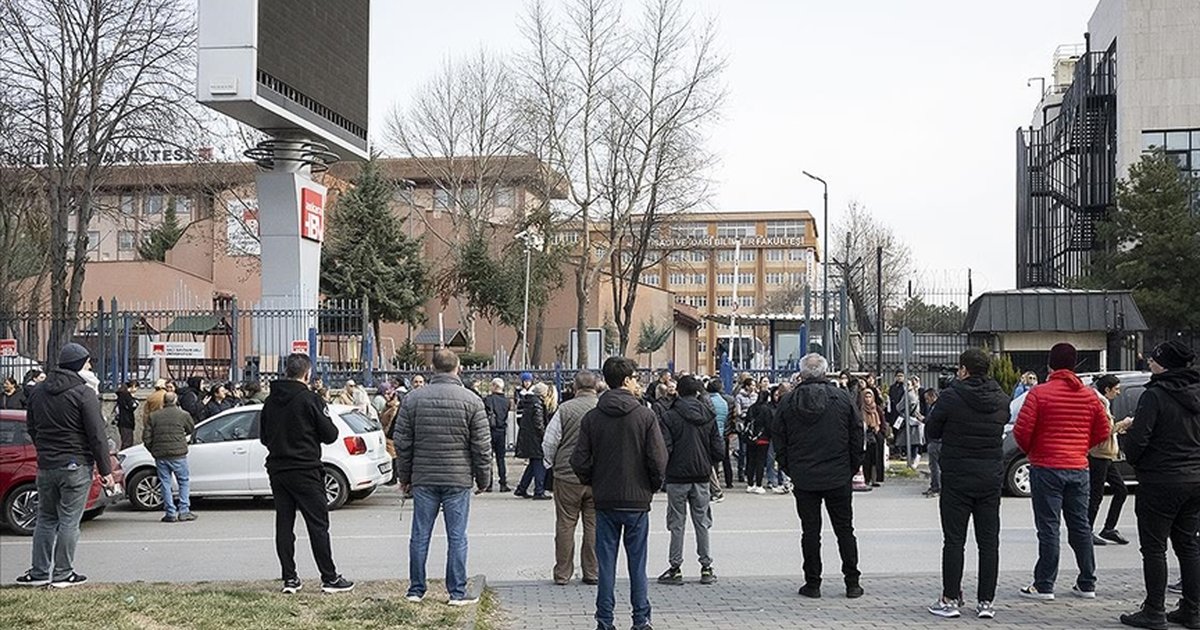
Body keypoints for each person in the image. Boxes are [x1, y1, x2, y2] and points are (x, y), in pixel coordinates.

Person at [571, 356, 668, 630]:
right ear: (626, 380)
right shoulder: (645, 415)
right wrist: (652, 485)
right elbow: (658, 459)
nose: (638, 383)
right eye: (635, 377)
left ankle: (605, 620)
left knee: (606, 565)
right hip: (637, 500)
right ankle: (641, 619)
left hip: (605, 499)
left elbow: (579, 459)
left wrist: (593, 481)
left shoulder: (592, 417)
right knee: (638, 564)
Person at [1013, 342, 1110, 601]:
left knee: (1049, 527)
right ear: (1075, 364)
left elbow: (1021, 432)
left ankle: (1045, 584)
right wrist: (1080, 447)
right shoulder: (1090, 396)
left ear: (1050, 364)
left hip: (1046, 467)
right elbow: (1103, 431)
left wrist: (1034, 450)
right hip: (1078, 467)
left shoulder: (1039, 394)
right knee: (1080, 526)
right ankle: (1087, 583)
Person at [394, 349, 491, 605]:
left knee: (420, 535)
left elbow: (402, 442)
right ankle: (456, 592)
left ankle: (416, 589)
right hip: (458, 478)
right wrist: (484, 478)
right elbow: (481, 446)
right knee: (457, 536)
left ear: (432, 368)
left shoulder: (413, 400)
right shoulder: (472, 401)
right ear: (457, 367)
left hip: (424, 477)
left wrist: (405, 477)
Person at [15, 343, 113, 587]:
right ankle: (62, 574)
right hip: (75, 464)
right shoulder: (83, 393)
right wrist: (106, 470)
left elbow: (32, 427)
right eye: (88, 362)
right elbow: (97, 435)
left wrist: (45, 450)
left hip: (46, 465)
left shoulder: (37, 392)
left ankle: (38, 573)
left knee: (45, 519)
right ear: (79, 364)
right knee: (69, 520)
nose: (89, 366)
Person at [1119, 341, 1200, 630]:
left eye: (1154, 360)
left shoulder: (1155, 395)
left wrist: (1133, 454)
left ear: (1163, 364)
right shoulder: (1196, 391)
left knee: (1154, 548)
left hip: (1160, 479)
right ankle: (1192, 610)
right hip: (1194, 478)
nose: (1150, 364)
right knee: (1188, 545)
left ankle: (1154, 610)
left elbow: (1140, 439)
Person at [924, 349, 1009, 620]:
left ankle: (950, 599)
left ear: (964, 370)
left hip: (957, 477)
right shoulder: (1001, 398)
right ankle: (986, 602)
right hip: (990, 477)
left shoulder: (951, 396)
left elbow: (932, 429)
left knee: (954, 541)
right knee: (988, 542)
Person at [260, 353, 354, 594]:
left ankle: (290, 578)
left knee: (284, 523)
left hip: (278, 469)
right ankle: (329, 577)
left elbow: (264, 437)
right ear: (307, 373)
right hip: (305, 468)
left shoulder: (270, 401)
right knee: (317, 524)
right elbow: (330, 434)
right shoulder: (310, 399)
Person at [775, 353, 864, 598]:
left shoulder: (789, 401)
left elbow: (779, 439)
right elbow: (857, 436)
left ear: (801, 374)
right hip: (838, 474)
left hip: (804, 477)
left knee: (810, 532)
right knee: (845, 529)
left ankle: (813, 583)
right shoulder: (843, 399)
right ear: (826, 372)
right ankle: (852, 582)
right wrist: (852, 467)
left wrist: (789, 468)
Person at [656, 375, 724, 586]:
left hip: (677, 476)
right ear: (697, 392)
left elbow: (664, 448)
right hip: (702, 476)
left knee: (677, 523)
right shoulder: (709, 415)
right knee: (702, 522)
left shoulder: (669, 416)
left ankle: (675, 567)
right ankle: (706, 566)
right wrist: (707, 461)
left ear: (678, 392)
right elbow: (719, 450)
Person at [542, 371, 601, 586]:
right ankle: (592, 572)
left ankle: (563, 573)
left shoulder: (564, 409)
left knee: (566, 524)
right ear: (596, 387)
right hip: (597, 476)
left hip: (567, 475)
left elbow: (550, 441)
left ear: (574, 388)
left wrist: (551, 464)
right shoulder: (602, 409)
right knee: (593, 525)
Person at [1088, 374, 1133, 547]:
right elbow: (1103, 431)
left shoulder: (1103, 403)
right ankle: (1087, 530)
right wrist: (1124, 424)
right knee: (1095, 495)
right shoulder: (1099, 404)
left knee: (1121, 490)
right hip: (1098, 455)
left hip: (1106, 455)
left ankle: (1109, 528)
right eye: (1116, 389)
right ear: (1107, 389)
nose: (1119, 393)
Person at [143, 391, 196, 523]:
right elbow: (191, 429)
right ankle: (184, 511)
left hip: (161, 455)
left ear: (163, 401)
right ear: (176, 400)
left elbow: (146, 437)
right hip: (178, 454)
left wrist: (153, 449)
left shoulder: (153, 416)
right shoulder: (183, 415)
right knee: (183, 481)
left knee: (165, 483)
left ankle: (170, 513)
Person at [514, 382, 551, 499]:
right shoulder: (537, 404)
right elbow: (538, 424)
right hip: (536, 439)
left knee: (533, 464)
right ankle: (539, 491)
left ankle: (522, 488)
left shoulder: (529, 402)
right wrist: (546, 436)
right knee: (539, 463)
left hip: (529, 437)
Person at [483, 378, 511, 493]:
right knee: (501, 458)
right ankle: (503, 483)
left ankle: (488, 484)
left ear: (494, 386)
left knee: (488, 458)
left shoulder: (487, 400)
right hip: (501, 430)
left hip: (489, 430)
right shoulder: (507, 401)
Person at [742, 389, 773, 494]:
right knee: (760, 461)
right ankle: (759, 484)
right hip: (763, 439)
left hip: (751, 439)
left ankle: (750, 484)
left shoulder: (752, 408)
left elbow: (746, 422)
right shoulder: (767, 410)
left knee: (751, 461)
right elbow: (769, 425)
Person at [707, 379, 735, 489]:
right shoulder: (725, 401)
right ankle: (729, 481)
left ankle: (714, 485)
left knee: (711, 462)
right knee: (725, 458)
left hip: (712, 434)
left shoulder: (708, 400)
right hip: (723, 433)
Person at [857, 388, 886, 489]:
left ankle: (874, 479)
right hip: (865, 436)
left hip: (876, 437)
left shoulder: (876, 409)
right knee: (866, 459)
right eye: (866, 397)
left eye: (870, 397)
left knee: (875, 459)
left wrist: (880, 432)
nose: (868, 399)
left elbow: (882, 422)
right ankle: (866, 478)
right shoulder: (860, 409)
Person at [377, 383, 400, 485]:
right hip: (388, 433)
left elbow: (387, 420)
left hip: (389, 434)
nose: (387, 396)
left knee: (392, 457)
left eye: (389, 394)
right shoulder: (388, 406)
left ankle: (393, 478)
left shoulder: (394, 407)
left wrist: (387, 432)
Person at [923, 389, 942, 498]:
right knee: (935, 465)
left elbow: (931, 421)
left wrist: (924, 419)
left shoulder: (936, 408)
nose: (926, 401)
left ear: (932, 396)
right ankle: (934, 485)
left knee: (934, 466)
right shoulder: (938, 406)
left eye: (927, 398)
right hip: (935, 440)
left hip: (935, 441)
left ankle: (936, 487)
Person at [141, 379, 167, 443]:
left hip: (152, 420)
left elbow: (146, 413)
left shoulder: (151, 396)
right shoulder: (165, 395)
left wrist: (146, 425)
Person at [115, 380, 138, 450]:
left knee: (125, 441)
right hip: (126, 421)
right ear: (133, 386)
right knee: (127, 443)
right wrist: (135, 401)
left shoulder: (121, 395)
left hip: (122, 421)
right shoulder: (126, 395)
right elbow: (131, 406)